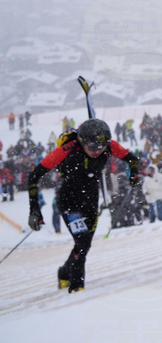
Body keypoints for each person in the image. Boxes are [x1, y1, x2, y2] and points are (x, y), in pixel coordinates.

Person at [27, 119, 140, 292]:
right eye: (92, 148)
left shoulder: (108, 145)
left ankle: (65, 272)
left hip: (91, 200)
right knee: (82, 241)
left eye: (101, 147)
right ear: (82, 141)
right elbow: (34, 176)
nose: (97, 152)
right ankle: (77, 287)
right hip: (69, 201)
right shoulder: (68, 149)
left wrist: (134, 174)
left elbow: (132, 159)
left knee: (84, 245)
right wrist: (34, 210)